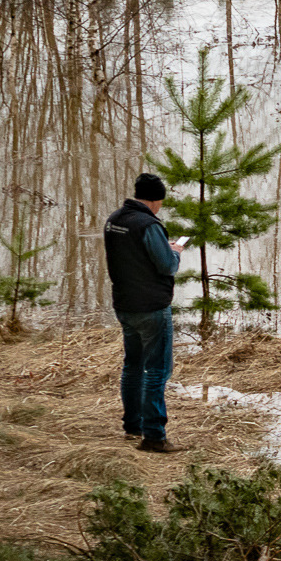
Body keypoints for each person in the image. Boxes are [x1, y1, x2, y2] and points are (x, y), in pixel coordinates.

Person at [103, 173, 186, 453]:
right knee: (157, 370)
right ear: (155, 200)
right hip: (151, 307)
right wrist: (175, 251)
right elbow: (166, 266)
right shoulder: (148, 224)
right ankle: (153, 436)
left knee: (133, 366)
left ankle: (132, 425)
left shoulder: (114, 220)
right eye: (161, 201)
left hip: (124, 305)